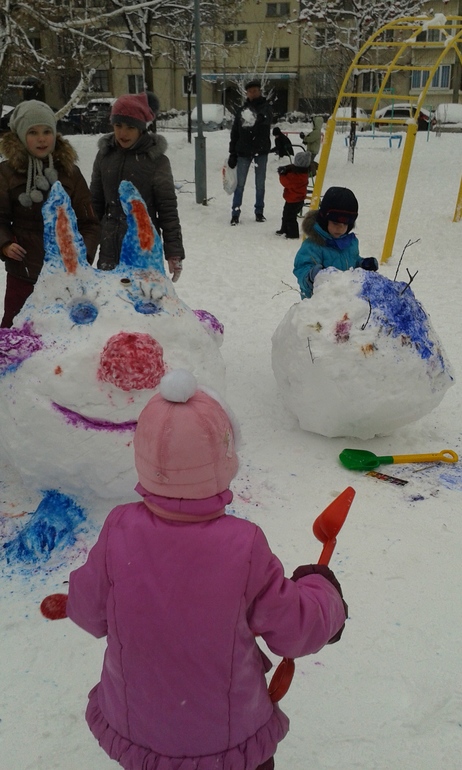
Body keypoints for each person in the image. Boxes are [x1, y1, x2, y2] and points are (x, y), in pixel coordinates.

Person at [66, 368, 348, 770]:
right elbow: (295, 631)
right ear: (225, 460)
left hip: (140, 726)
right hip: (226, 741)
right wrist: (323, 593)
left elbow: (88, 612)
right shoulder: (243, 545)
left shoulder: (118, 530)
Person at [0, 100, 100, 328]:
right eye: (33, 132)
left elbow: (90, 223)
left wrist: (81, 254)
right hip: (24, 272)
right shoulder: (6, 173)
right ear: (20, 136)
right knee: (16, 331)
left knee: (63, 333)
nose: (42, 138)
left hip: (66, 278)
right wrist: (5, 244)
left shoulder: (70, 172)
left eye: (47, 131)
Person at [90, 92, 184, 281]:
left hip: (145, 251)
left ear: (141, 128)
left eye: (130, 127)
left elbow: (167, 210)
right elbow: (95, 205)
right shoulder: (104, 157)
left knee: (144, 304)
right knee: (111, 304)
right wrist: (85, 247)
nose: (122, 133)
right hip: (109, 250)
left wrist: (174, 253)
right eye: (118, 125)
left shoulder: (156, 161)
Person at [293, 186, 379, 299]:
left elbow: (352, 261)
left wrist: (362, 264)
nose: (340, 229)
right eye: (335, 223)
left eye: (345, 225)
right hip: (320, 304)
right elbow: (301, 269)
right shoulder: (313, 245)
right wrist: (312, 275)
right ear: (324, 220)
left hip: (346, 301)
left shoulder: (350, 243)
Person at [228, 79, 273, 225]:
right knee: (239, 184)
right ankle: (235, 212)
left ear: (260, 91)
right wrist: (232, 152)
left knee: (260, 184)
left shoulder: (266, 108)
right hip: (243, 151)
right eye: (250, 91)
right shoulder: (242, 111)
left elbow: (265, 119)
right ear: (246, 93)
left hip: (261, 151)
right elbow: (235, 132)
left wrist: (258, 118)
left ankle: (259, 212)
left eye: (255, 90)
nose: (253, 93)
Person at [276, 151, 311, 239]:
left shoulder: (298, 177)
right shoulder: (301, 172)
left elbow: (286, 182)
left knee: (290, 217)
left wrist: (282, 174)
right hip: (293, 199)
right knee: (286, 215)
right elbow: (291, 168)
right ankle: (284, 229)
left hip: (294, 200)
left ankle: (293, 234)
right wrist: (286, 169)